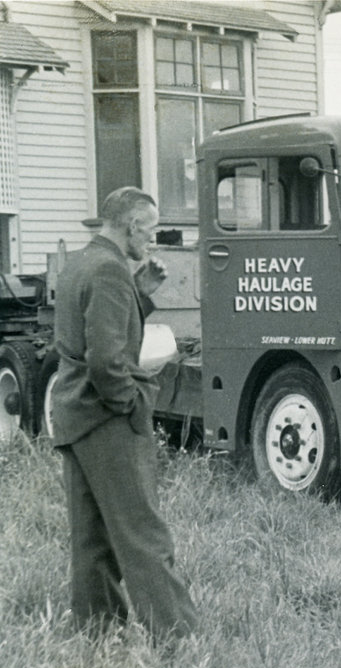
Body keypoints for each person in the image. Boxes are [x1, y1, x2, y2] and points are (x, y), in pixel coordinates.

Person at [51, 187, 197, 642]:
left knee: (91, 537)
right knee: (144, 534)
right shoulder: (110, 271)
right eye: (150, 231)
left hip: (75, 415)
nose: (152, 241)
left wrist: (140, 293)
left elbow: (94, 326)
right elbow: (106, 361)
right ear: (132, 225)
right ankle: (177, 639)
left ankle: (97, 632)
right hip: (107, 418)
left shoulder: (83, 264)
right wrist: (132, 405)